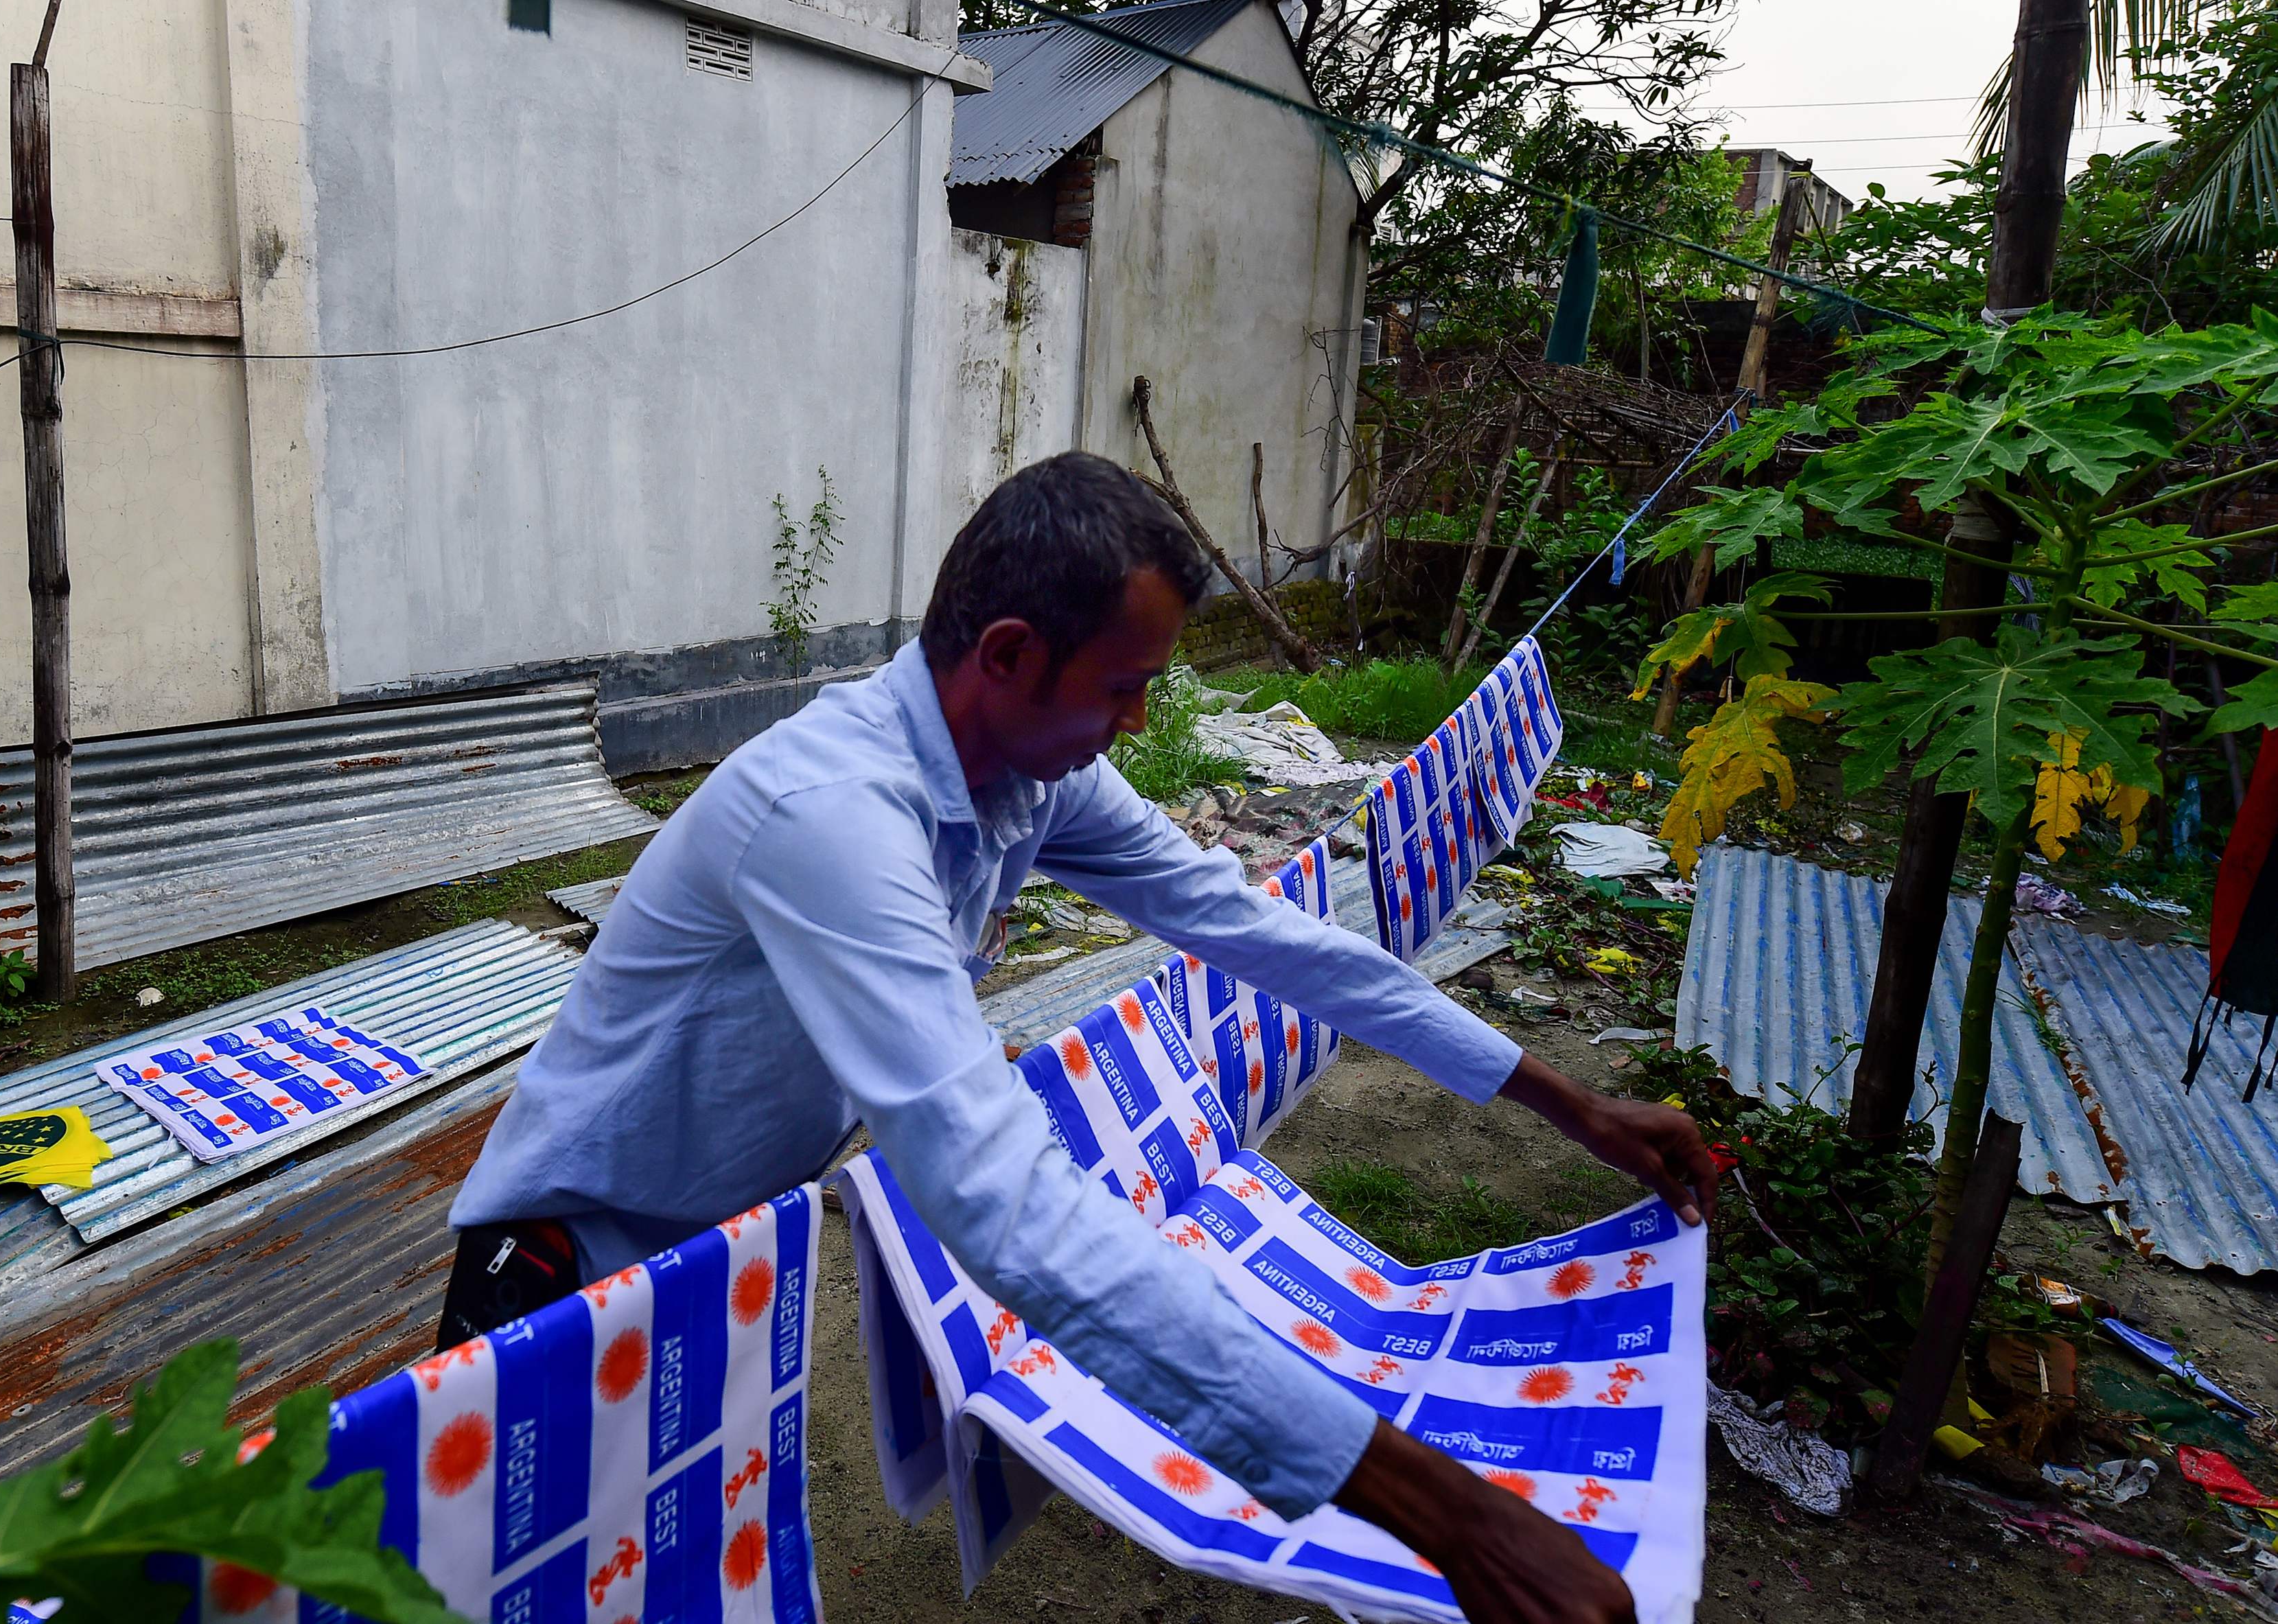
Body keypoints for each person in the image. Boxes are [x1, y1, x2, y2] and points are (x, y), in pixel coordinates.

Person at [445, 451, 1715, 1624]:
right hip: (562, 1275)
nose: (1140, 721)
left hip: (714, 1269)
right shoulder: (831, 817)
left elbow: (1260, 933)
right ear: (1008, 655)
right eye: (1125, 686)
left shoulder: (1024, 780)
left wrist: (1566, 1101)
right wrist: (1453, 1519)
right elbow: (1001, 1202)